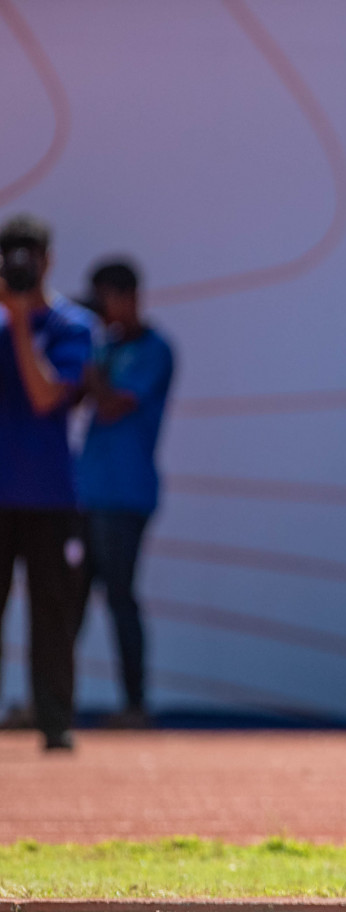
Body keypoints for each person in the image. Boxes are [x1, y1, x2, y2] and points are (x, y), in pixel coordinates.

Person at [0, 214, 94, 751]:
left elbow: (44, 396)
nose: (20, 265)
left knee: (52, 613)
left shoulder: (72, 325)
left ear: (48, 259)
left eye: (28, 254)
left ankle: (54, 721)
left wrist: (18, 321)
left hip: (51, 496)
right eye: (10, 254)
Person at [72, 259, 175, 729]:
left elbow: (112, 405)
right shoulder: (100, 347)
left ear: (129, 296)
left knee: (118, 597)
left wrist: (89, 363)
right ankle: (51, 702)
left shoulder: (155, 350)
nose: (102, 310)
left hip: (126, 496)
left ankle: (135, 705)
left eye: (105, 298)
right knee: (66, 601)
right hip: (85, 492)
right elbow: (67, 399)